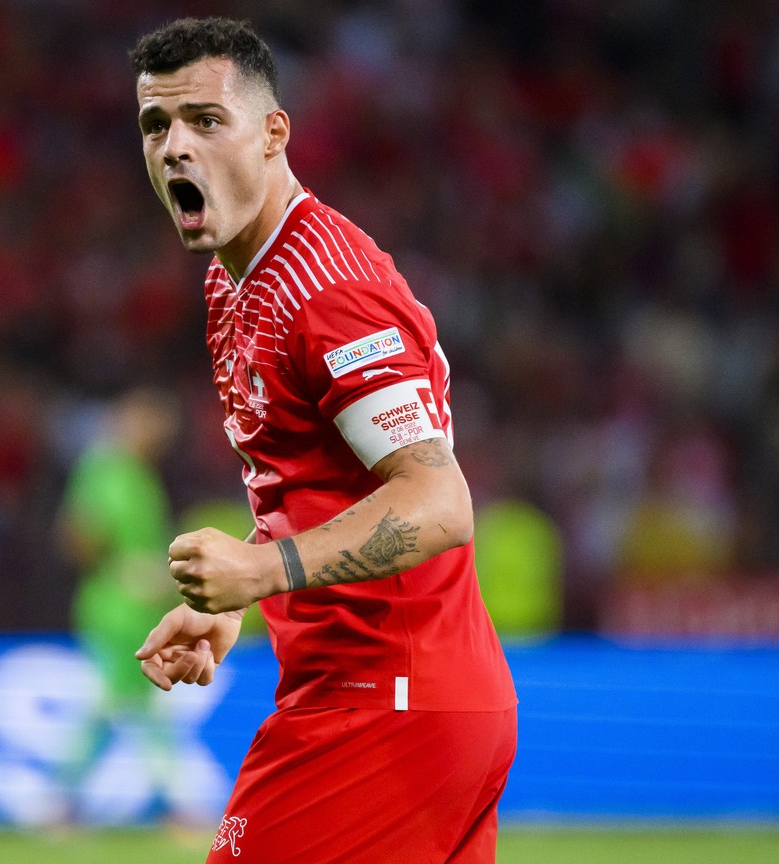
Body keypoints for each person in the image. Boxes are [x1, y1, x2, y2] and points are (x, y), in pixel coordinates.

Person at [126, 18, 517, 863]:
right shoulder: (233, 286)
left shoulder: (326, 291)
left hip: (385, 705)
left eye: (205, 119)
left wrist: (263, 572)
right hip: (396, 700)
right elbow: (315, 481)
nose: (174, 149)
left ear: (274, 135)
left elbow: (439, 502)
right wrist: (233, 603)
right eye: (156, 126)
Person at [56, 386, 185, 823]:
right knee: (114, 702)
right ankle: (64, 799)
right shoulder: (105, 469)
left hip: (139, 611)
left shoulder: (137, 472)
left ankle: (68, 801)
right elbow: (78, 533)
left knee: (138, 702)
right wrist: (120, 571)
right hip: (113, 609)